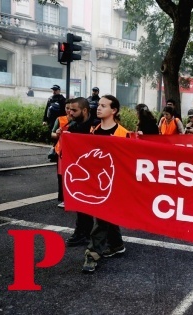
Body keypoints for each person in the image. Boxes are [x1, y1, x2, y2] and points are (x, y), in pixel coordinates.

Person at [83, 95, 129, 273]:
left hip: (115, 183)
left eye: (103, 105)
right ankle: (117, 245)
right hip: (98, 182)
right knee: (106, 215)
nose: (98, 108)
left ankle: (93, 253)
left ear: (114, 110)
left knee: (102, 217)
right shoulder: (94, 130)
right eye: (99, 105)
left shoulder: (124, 133)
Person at [64, 97, 95, 247]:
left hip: (96, 171)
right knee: (81, 203)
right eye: (69, 109)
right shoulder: (72, 126)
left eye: (74, 110)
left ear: (84, 110)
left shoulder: (96, 125)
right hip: (79, 171)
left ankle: (109, 239)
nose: (70, 112)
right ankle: (82, 232)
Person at [51, 99, 72, 208]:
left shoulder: (79, 121)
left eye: (72, 109)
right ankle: (64, 198)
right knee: (62, 176)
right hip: (62, 151)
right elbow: (52, 134)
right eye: (67, 108)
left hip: (73, 152)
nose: (69, 111)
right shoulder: (60, 119)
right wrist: (58, 133)